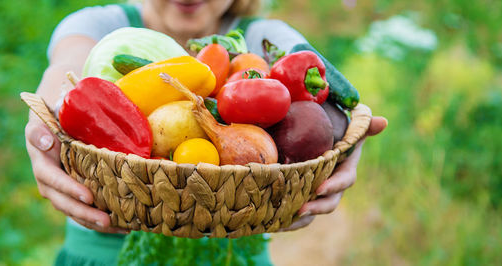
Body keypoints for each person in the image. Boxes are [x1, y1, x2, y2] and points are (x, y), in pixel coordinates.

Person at [24, 0, 388, 264]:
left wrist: (349, 133)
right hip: (104, 253)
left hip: (232, 254)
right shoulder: (98, 24)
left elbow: (323, 82)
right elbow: (65, 70)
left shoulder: (263, 37)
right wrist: (46, 120)